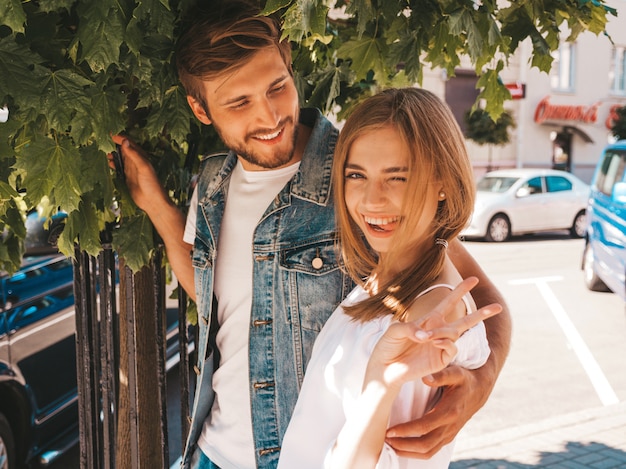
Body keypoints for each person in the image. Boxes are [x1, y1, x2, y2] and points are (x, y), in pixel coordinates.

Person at [111, 3, 512, 468]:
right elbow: (217, 297)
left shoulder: (360, 175)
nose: (269, 115)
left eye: (277, 87)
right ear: (200, 109)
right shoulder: (213, 183)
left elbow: (468, 294)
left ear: (290, 69)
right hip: (212, 451)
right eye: (238, 102)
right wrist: (157, 208)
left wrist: (482, 380)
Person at [277, 87, 502, 468]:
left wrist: (382, 378)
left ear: (444, 182)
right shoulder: (390, 274)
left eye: (397, 178)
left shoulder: (428, 315)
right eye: (356, 175)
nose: (371, 200)